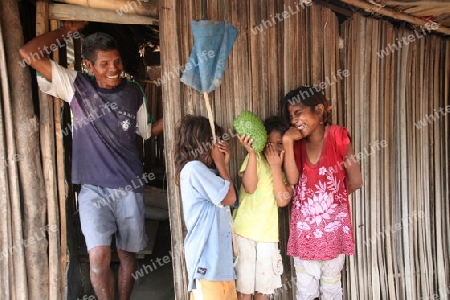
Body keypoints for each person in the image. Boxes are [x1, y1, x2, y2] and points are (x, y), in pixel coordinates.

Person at [20, 21, 163, 300]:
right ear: (88, 65)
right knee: (98, 256)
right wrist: (68, 30)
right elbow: (29, 53)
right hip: (92, 189)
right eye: (105, 63)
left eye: (117, 61)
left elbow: (145, 132)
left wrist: (172, 118)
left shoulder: (134, 92)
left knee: (127, 254)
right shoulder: (75, 86)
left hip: (129, 185)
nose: (114, 68)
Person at [280, 86, 362, 300]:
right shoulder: (296, 146)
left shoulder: (337, 136)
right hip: (305, 236)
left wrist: (331, 207)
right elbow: (293, 180)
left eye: (298, 113)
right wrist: (288, 142)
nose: (294, 120)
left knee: (330, 288)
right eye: (290, 116)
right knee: (308, 291)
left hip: (332, 236)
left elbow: (355, 180)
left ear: (318, 110)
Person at [174, 115, 237, 300]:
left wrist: (223, 165)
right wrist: (220, 163)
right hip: (207, 265)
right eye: (213, 142)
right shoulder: (193, 169)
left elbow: (232, 201)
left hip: (222, 266)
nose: (217, 147)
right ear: (200, 143)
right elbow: (230, 196)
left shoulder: (210, 174)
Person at [233, 116, 294, 300]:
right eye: (268, 143)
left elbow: (283, 200)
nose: (273, 148)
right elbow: (249, 187)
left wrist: (276, 167)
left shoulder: (285, 173)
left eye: (278, 143)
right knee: (244, 291)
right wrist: (251, 153)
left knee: (263, 291)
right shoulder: (256, 159)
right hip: (243, 234)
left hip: (268, 238)